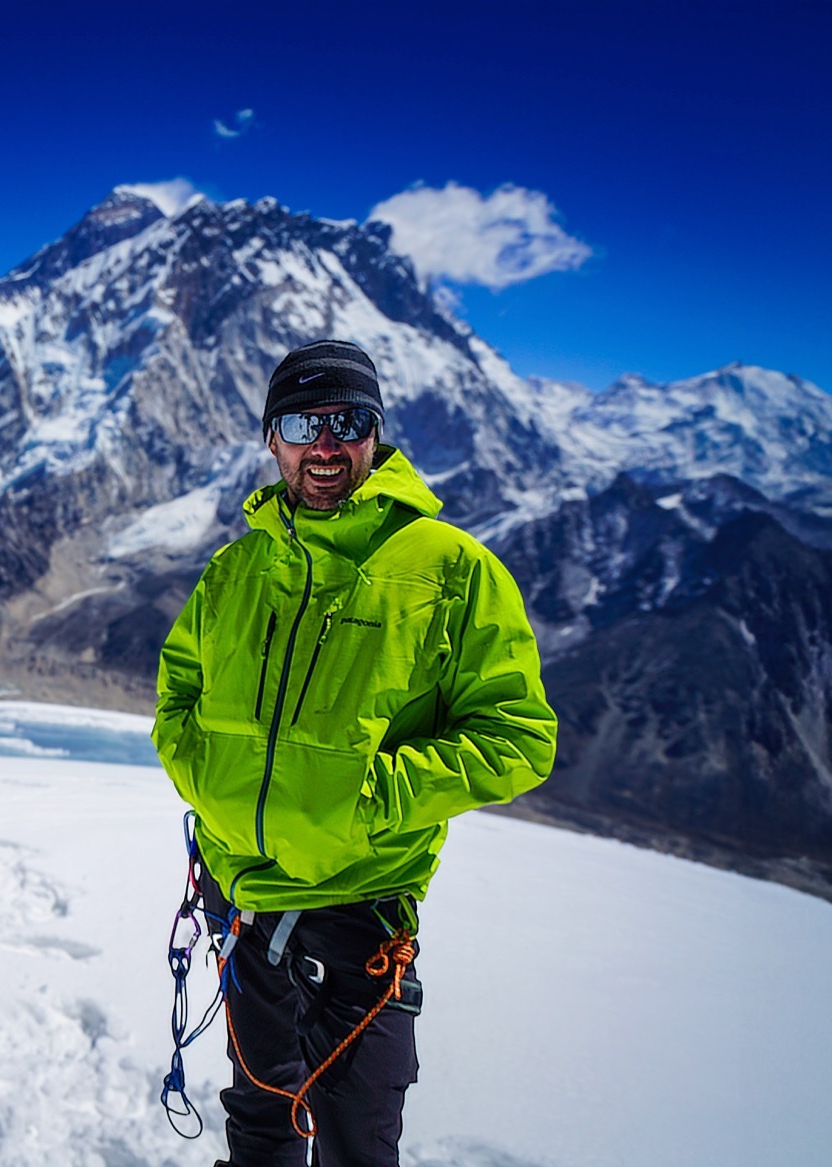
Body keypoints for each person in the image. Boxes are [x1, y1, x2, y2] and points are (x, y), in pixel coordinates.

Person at [154, 338, 557, 1166]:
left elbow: (520, 735)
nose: (325, 445)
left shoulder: (451, 570)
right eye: (304, 422)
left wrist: (368, 799)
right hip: (243, 905)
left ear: (376, 433)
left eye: (348, 421)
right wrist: (213, 784)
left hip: (359, 917)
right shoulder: (235, 570)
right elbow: (176, 699)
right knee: (259, 1129)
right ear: (273, 439)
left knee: (356, 1150)